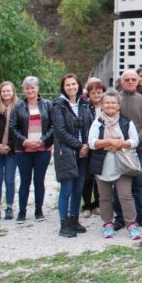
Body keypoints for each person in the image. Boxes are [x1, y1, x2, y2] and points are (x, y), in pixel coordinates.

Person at [87, 93, 142, 240]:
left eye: (113, 103)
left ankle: (131, 224)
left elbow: (135, 141)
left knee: (125, 196)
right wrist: (110, 141)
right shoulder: (97, 123)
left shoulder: (126, 122)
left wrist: (120, 144)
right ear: (102, 105)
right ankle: (108, 224)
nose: (110, 105)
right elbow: (92, 143)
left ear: (118, 106)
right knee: (104, 197)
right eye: (107, 103)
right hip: (102, 165)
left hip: (122, 164)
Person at [9, 76, 53, 223]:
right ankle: (22, 211)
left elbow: (53, 126)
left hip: (42, 149)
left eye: (33, 87)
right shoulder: (18, 106)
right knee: (24, 181)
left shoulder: (47, 105)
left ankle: (39, 210)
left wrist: (43, 140)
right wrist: (25, 141)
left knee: (39, 181)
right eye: (27, 88)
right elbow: (12, 127)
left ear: (38, 88)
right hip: (23, 151)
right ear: (24, 90)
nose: (30, 90)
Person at [113, 70, 142, 230]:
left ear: (138, 82)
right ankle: (120, 217)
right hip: (119, 149)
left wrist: (135, 141)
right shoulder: (116, 99)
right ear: (122, 82)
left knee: (140, 184)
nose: (130, 82)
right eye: (127, 79)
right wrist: (121, 142)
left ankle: (141, 215)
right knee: (120, 184)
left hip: (139, 148)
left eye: (133, 79)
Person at [52, 74, 91, 237]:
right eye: (67, 85)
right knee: (66, 189)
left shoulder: (84, 104)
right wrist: (79, 145)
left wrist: (87, 145)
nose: (71, 87)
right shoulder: (58, 106)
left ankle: (74, 220)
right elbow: (60, 131)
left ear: (79, 85)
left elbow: (90, 124)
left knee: (78, 189)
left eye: (73, 84)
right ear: (63, 87)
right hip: (67, 152)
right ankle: (64, 224)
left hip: (83, 152)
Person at [0, 81, 17, 222]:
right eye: (3, 91)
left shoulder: (19, 107)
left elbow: (19, 130)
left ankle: (10, 207)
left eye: (8, 91)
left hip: (11, 151)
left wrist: (10, 146)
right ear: (0, 93)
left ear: (13, 92)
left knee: (10, 180)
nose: (6, 93)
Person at [80, 77, 106, 218]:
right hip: (87, 145)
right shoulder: (84, 107)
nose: (96, 95)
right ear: (88, 94)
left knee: (99, 177)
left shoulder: (106, 106)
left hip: (102, 146)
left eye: (99, 92)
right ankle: (87, 205)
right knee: (87, 177)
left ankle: (98, 204)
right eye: (93, 93)